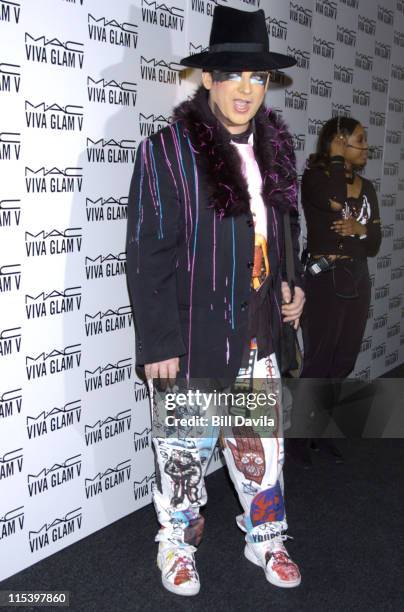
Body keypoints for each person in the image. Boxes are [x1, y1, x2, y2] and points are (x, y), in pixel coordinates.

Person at [126, 6, 305, 596]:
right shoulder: (169, 151)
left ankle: (266, 539)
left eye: (257, 78)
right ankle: (175, 545)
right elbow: (149, 254)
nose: (246, 90)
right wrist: (158, 342)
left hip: (258, 334)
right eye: (233, 74)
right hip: (194, 338)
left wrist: (291, 284)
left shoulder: (278, 149)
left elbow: (284, 233)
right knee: (182, 452)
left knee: (263, 455)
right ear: (208, 78)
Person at [293, 116, 381, 465]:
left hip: (357, 277)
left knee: (343, 360)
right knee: (319, 359)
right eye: (358, 140)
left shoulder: (368, 187)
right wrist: (335, 158)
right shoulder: (316, 178)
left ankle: (320, 429)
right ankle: (298, 438)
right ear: (340, 141)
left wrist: (359, 228)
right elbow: (333, 197)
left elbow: (374, 242)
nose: (365, 147)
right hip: (325, 279)